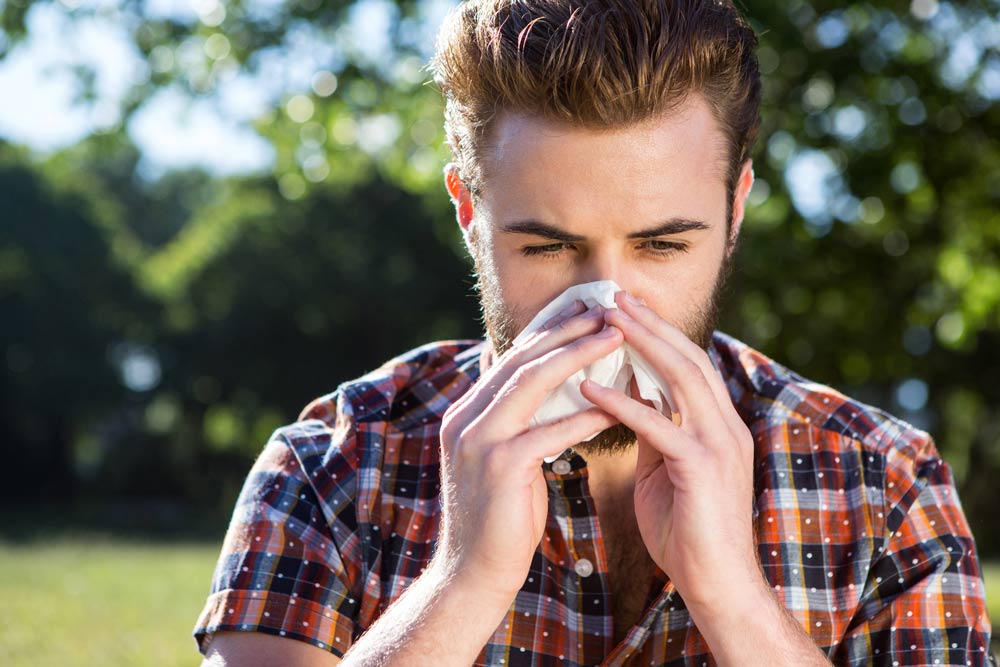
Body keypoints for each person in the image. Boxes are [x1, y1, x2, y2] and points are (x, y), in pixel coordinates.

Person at [193, 0, 996, 665]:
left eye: (663, 244)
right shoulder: (328, 468)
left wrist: (733, 596)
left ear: (736, 208)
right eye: (547, 245)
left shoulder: (887, 486)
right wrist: (463, 582)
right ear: (470, 214)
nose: (606, 304)